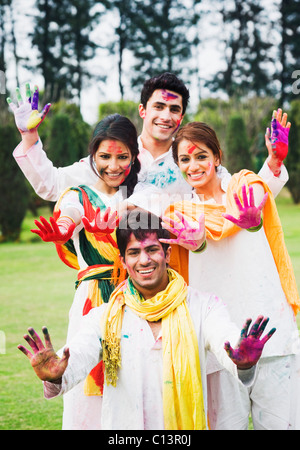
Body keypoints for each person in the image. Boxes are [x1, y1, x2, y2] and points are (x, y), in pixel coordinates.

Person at [18, 209, 276, 430]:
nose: (144, 260)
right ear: (123, 260)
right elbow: (77, 357)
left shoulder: (203, 306)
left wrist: (241, 361)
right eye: (134, 252)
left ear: (167, 252)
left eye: (152, 249)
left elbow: (225, 339)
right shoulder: (105, 317)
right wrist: (53, 376)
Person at [161, 119, 300, 429]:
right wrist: (195, 245)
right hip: (221, 345)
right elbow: (181, 261)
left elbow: (261, 193)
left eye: (201, 156)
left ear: (217, 157)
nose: (193, 166)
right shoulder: (180, 215)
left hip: (270, 332)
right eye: (185, 159)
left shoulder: (246, 188)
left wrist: (274, 164)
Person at [30, 113, 141, 430]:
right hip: (93, 298)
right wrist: (62, 230)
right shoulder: (78, 196)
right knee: (85, 383)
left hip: (136, 298)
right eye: (104, 156)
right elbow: (68, 217)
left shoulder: (137, 197)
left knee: (134, 380)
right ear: (92, 156)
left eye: (122, 156)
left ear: (133, 156)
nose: (113, 165)